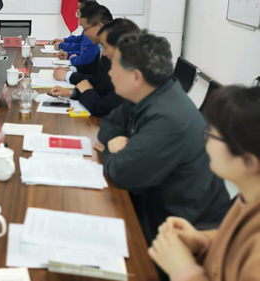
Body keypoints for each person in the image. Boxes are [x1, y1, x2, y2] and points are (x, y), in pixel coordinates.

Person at [97, 31, 231, 244]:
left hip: (184, 233)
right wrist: (115, 139)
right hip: (153, 205)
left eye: (115, 67)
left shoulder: (169, 119)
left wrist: (110, 150)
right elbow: (108, 123)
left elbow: (122, 173)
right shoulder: (147, 93)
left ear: (136, 77)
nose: (110, 73)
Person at [149, 85, 260, 280]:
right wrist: (201, 241)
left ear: (249, 161)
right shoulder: (248, 198)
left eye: (213, 134)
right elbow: (235, 249)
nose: (206, 139)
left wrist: (184, 270)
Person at [51, 19, 138, 117]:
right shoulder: (122, 66)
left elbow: (100, 107)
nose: (104, 54)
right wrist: (72, 93)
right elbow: (103, 90)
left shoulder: (129, 79)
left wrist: (87, 91)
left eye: (105, 47)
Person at [54, 3, 109, 80]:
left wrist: (68, 76)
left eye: (86, 29)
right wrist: (71, 70)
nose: (85, 34)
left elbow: (100, 81)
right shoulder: (99, 44)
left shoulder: (111, 48)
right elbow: (91, 68)